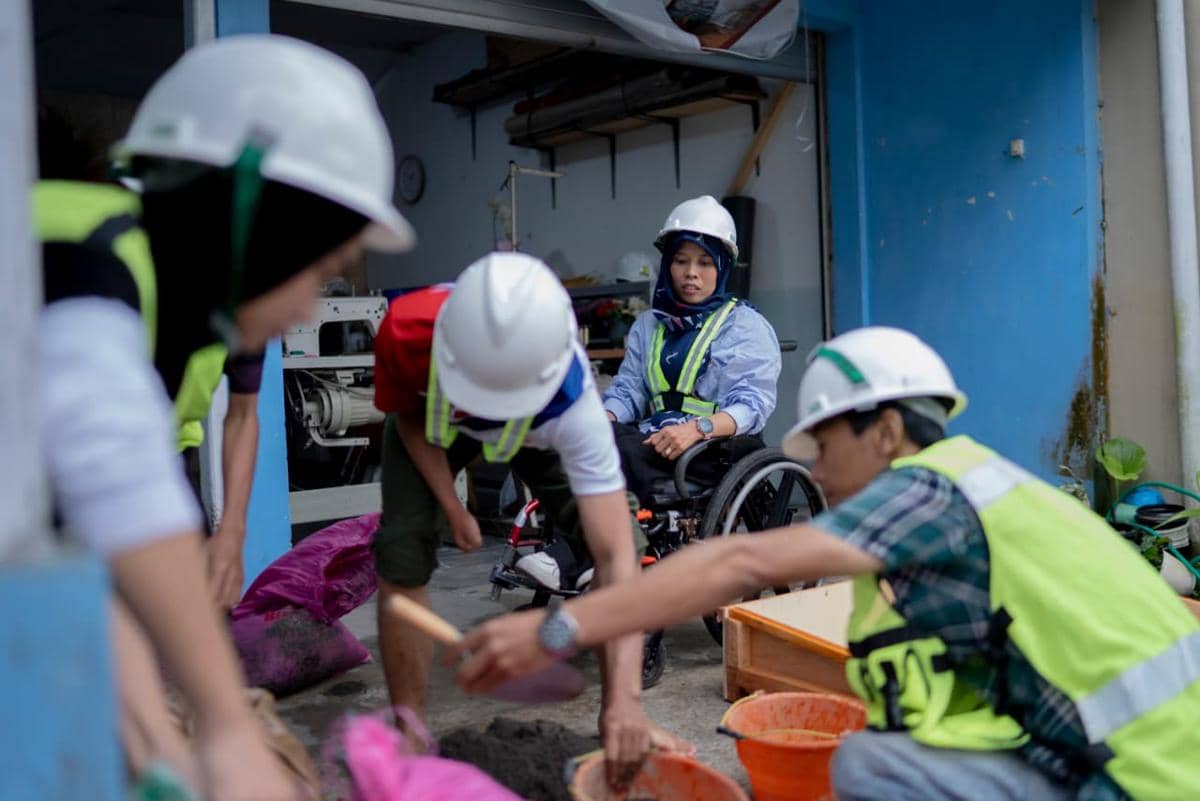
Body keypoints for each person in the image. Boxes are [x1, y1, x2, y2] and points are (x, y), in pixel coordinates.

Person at [450, 326, 1200, 801]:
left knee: (871, 767)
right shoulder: (985, 491)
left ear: (884, 431)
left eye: (825, 448)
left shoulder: (930, 491)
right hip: (1157, 757)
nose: (820, 476)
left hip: (1142, 776)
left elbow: (741, 557)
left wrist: (559, 629)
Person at [35, 35, 414, 800]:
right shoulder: (85, 267)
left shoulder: (163, 301)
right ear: (259, 225)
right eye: (319, 271)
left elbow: (86, 567)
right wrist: (227, 730)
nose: (311, 305)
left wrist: (161, 750)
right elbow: (118, 488)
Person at [370, 253, 687, 789]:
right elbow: (408, 418)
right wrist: (452, 505)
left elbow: (615, 556)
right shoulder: (406, 331)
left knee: (624, 543)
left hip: (541, 431)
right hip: (436, 424)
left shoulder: (572, 399)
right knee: (401, 550)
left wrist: (627, 703)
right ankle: (409, 730)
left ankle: (620, 714)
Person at [601, 196, 780, 505]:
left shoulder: (744, 326)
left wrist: (696, 430)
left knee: (621, 451)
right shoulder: (648, 325)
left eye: (705, 262)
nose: (691, 273)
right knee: (591, 440)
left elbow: (752, 405)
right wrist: (602, 418)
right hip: (655, 444)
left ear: (723, 266)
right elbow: (629, 391)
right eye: (681, 260)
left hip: (710, 450)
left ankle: (592, 546)